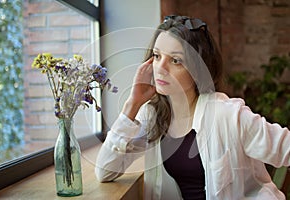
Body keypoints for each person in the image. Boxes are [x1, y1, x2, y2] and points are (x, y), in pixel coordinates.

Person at [95, 15, 290, 200]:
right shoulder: (154, 115)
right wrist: (132, 104)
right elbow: (105, 171)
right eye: (156, 56)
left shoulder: (228, 114)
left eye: (175, 60)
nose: (160, 68)